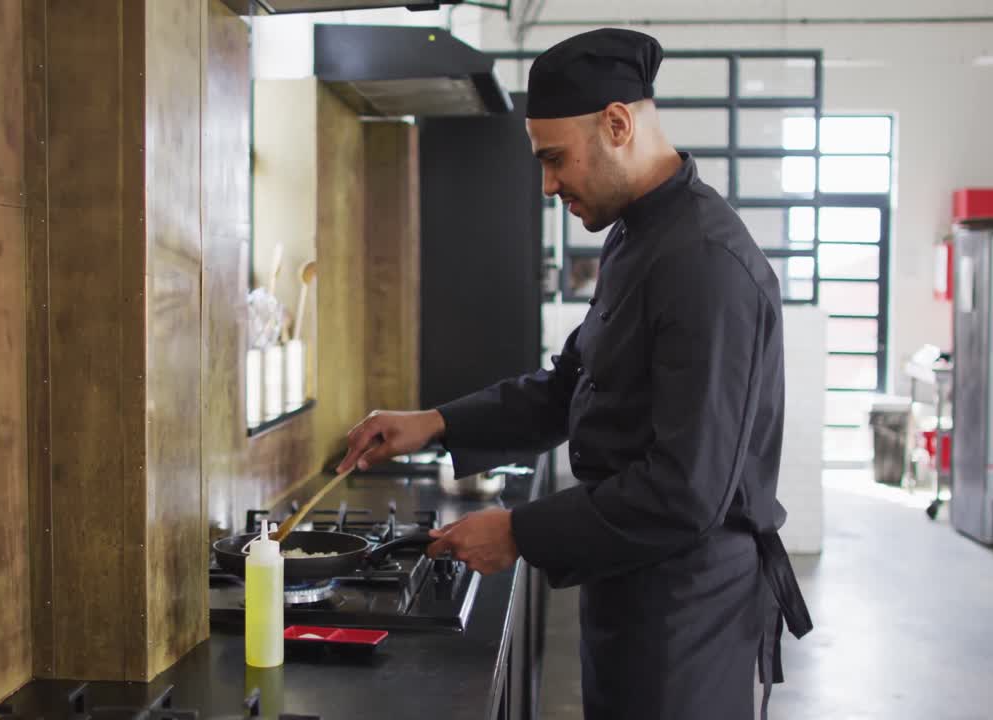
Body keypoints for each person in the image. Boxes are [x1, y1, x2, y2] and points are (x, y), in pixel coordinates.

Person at [336, 28, 811, 720]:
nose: (549, 183)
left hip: (687, 618)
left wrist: (521, 532)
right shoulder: (636, 238)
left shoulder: (705, 265)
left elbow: (684, 491)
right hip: (630, 589)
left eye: (556, 160)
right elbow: (570, 386)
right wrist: (433, 424)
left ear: (618, 124)